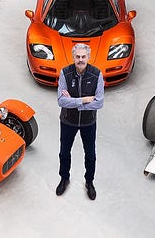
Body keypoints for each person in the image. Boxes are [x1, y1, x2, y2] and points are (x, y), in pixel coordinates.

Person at [56, 43, 104, 200]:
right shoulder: (65, 73)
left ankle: (89, 182)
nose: (81, 59)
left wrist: (74, 103)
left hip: (88, 123)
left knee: (90, 154)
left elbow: (99, 103)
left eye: (83, 56)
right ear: (73, 57)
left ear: (88, 57)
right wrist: (83, 100)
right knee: (64, 152)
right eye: (78, 56)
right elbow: (61, 101)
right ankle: (64, 178)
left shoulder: (96, 74)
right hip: (67, 121)